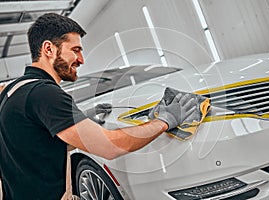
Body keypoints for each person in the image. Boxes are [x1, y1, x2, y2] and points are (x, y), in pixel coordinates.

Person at [0, 13, 197, 199]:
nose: (81, 60)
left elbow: (32, 146)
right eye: (75, 50)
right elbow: (109, 147)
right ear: (49, 49)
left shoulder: (13, 92)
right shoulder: (45, 94)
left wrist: (84, 122)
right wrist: (164, 120)